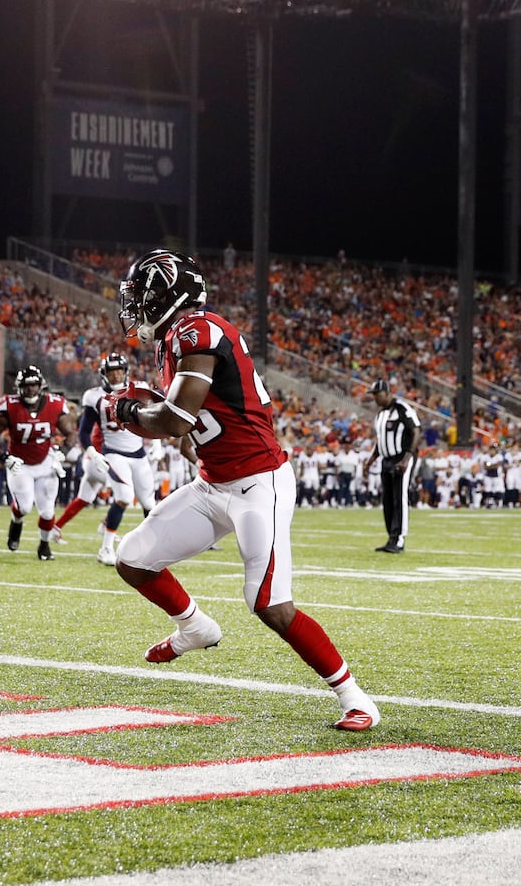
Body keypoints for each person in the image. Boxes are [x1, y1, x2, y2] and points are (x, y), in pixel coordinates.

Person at [108, 249, 380, 731]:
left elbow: (175, 419)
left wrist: (128, 412)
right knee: (132, 557)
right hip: (214, 484)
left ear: (168, 295)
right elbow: (195, 424)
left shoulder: (200, 330)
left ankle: (356, 699)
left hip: (259, 484)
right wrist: (147, 411)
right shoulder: (173, 339)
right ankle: (194, 626)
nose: (136, 308)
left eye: (142, 297)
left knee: (269, 604)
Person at [55, 353, 158, 565]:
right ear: (104, 374)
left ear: (126, 372)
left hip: (139, 454)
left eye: (119, 371)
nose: (116, 376)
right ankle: (106, 548)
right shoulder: (94, 397)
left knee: (150, 503)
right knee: (124, 496)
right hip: (114, 453)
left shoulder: (138, 389)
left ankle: (150, 548)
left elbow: (154, 415)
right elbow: (83, 432)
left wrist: (156, 441)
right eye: (111, 373)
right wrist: (92, 453)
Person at [0, 365, 77, 560]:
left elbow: (70, 433)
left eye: (34, 385)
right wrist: (4, 457)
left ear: (40, 386)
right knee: (24, 507)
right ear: (19, 387)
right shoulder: (9, 406)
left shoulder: (54, 404)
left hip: (45, 462)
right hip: (19, 462)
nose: (30, 390)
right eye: (26, 386)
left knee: (47, 510)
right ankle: (16, 521)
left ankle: (44, 546)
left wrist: (64, 451)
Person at [361, 380, 419, 553]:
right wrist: (371, 459)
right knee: (387, 500)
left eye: (377, 395)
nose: (375, 399)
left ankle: (399, 539)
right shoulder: (380, 414)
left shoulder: (402, 408)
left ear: (387, 393)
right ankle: (391, 538)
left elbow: (416, 431)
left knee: (399, 498)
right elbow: (382, 441)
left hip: (401, 458)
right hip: (386, 459)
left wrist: (407, 457)